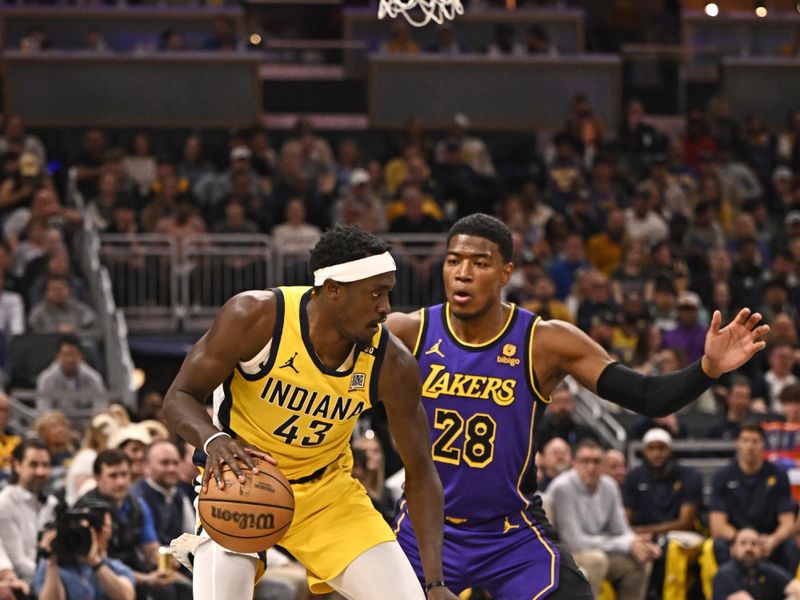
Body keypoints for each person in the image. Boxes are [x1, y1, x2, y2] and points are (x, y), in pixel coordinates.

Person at [385, 213, 769, 598]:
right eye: (454, 260)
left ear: (506, 273)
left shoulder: (545, 341)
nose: (462, 273)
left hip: (510, 533)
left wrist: (707, 369)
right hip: (426, 528)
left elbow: (648, 397)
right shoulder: (407, 333)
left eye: (479, 263)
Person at [163, 225, 458, 600]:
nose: (386, 308)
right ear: (334, 290)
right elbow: (179, 397)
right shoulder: (256, 317)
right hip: (242, 483)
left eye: (389, 293)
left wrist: (434, 583)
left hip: (328, 495)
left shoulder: (392, 363)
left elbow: (421, 470)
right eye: (376, 293)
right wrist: (213, 439)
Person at [547, 439, 660, 599]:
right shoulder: (562, 488)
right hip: (566, 556)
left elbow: (621, 529)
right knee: (595, 560)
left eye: (596, 461)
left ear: (603, 464)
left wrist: (638, 543)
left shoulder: (610, 486)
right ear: (574, 463)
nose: (591, 467)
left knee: (640, 561)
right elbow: (574, 542)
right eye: (585, 461)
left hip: (598, 549)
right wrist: (627, 544)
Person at [35, 498, 136, 600]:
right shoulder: (52, 566)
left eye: (108, 528)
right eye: (99, 528)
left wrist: (96, 564)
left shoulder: (113, 567)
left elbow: (127, 597)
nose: (106, 533)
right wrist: (52, 564)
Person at [0, 438, 57, 584]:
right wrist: (55, 576)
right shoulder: (5, 502)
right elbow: (17, 563)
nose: (40, 471)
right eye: (33, 465)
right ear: (17, 465)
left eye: (45, 465)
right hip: (22, 584)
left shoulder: (52, 503)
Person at [712, 528, 800, 600]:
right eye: (743, 543)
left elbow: (796, 588)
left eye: (754, 544)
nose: (749, 548)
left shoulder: (766, 569)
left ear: (761, 550)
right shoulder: (725, 573)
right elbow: (742, 598)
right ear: (732, 549)